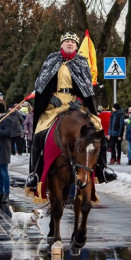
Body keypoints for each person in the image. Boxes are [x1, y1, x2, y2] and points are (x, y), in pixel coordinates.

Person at [24, 31, 115, 192]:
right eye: (67, 41)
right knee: (39, 131)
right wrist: (50, 97)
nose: (70, 44)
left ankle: (103, 168)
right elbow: (41, 83)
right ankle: (34, 173)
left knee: (97, 125)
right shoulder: (51, 59)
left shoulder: (81, 62)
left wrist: (79, 101)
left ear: (76, 45)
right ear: (61, 44)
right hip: (55, 104)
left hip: (75, 103)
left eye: (73, 42)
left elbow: (86, 86)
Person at [0, 102, 21, 203]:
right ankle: (0, 193)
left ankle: (6, 194)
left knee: (4, 173)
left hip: (3, 149)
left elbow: (7, 133)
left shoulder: (6, 119)